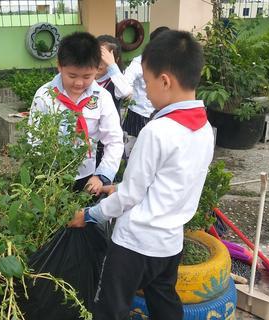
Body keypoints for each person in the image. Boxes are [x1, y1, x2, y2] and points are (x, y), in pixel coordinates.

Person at [68, 30, 213, 320]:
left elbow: (131, 197)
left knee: (110, 308)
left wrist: (90, 214)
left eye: (146, 83)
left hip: (135, 245)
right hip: (170, 244)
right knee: (165, 303)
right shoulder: (204, 129)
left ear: (165, 81)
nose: (145, 90)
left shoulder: (157, 131)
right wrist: (118, 187)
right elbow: (169, 182)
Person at [28, 32, 123, 195]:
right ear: (59, 66)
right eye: (72, 75)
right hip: (50, 175)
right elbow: (33, 136)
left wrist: (101, 176)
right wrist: (43, 170)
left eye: (87, 76)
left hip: (88, 177)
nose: (79, 83)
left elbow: (114, 140)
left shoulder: (102, 98)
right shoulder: (44, 95)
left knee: (83, 218)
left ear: (97, 69)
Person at [121, 26, 170, 158]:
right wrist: (128, 92)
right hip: (139, 113)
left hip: (161, 112)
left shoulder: (170, 63)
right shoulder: (139, 62)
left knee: (154, 152)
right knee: (133, 151)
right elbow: (126, 81)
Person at [95, 35, 132, 168]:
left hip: (107, 143)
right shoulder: (84, 80)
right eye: (96, 56)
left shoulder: (114, 82)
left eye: (104, 59)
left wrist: (112, 66)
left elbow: (126, 92)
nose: (99, 63)